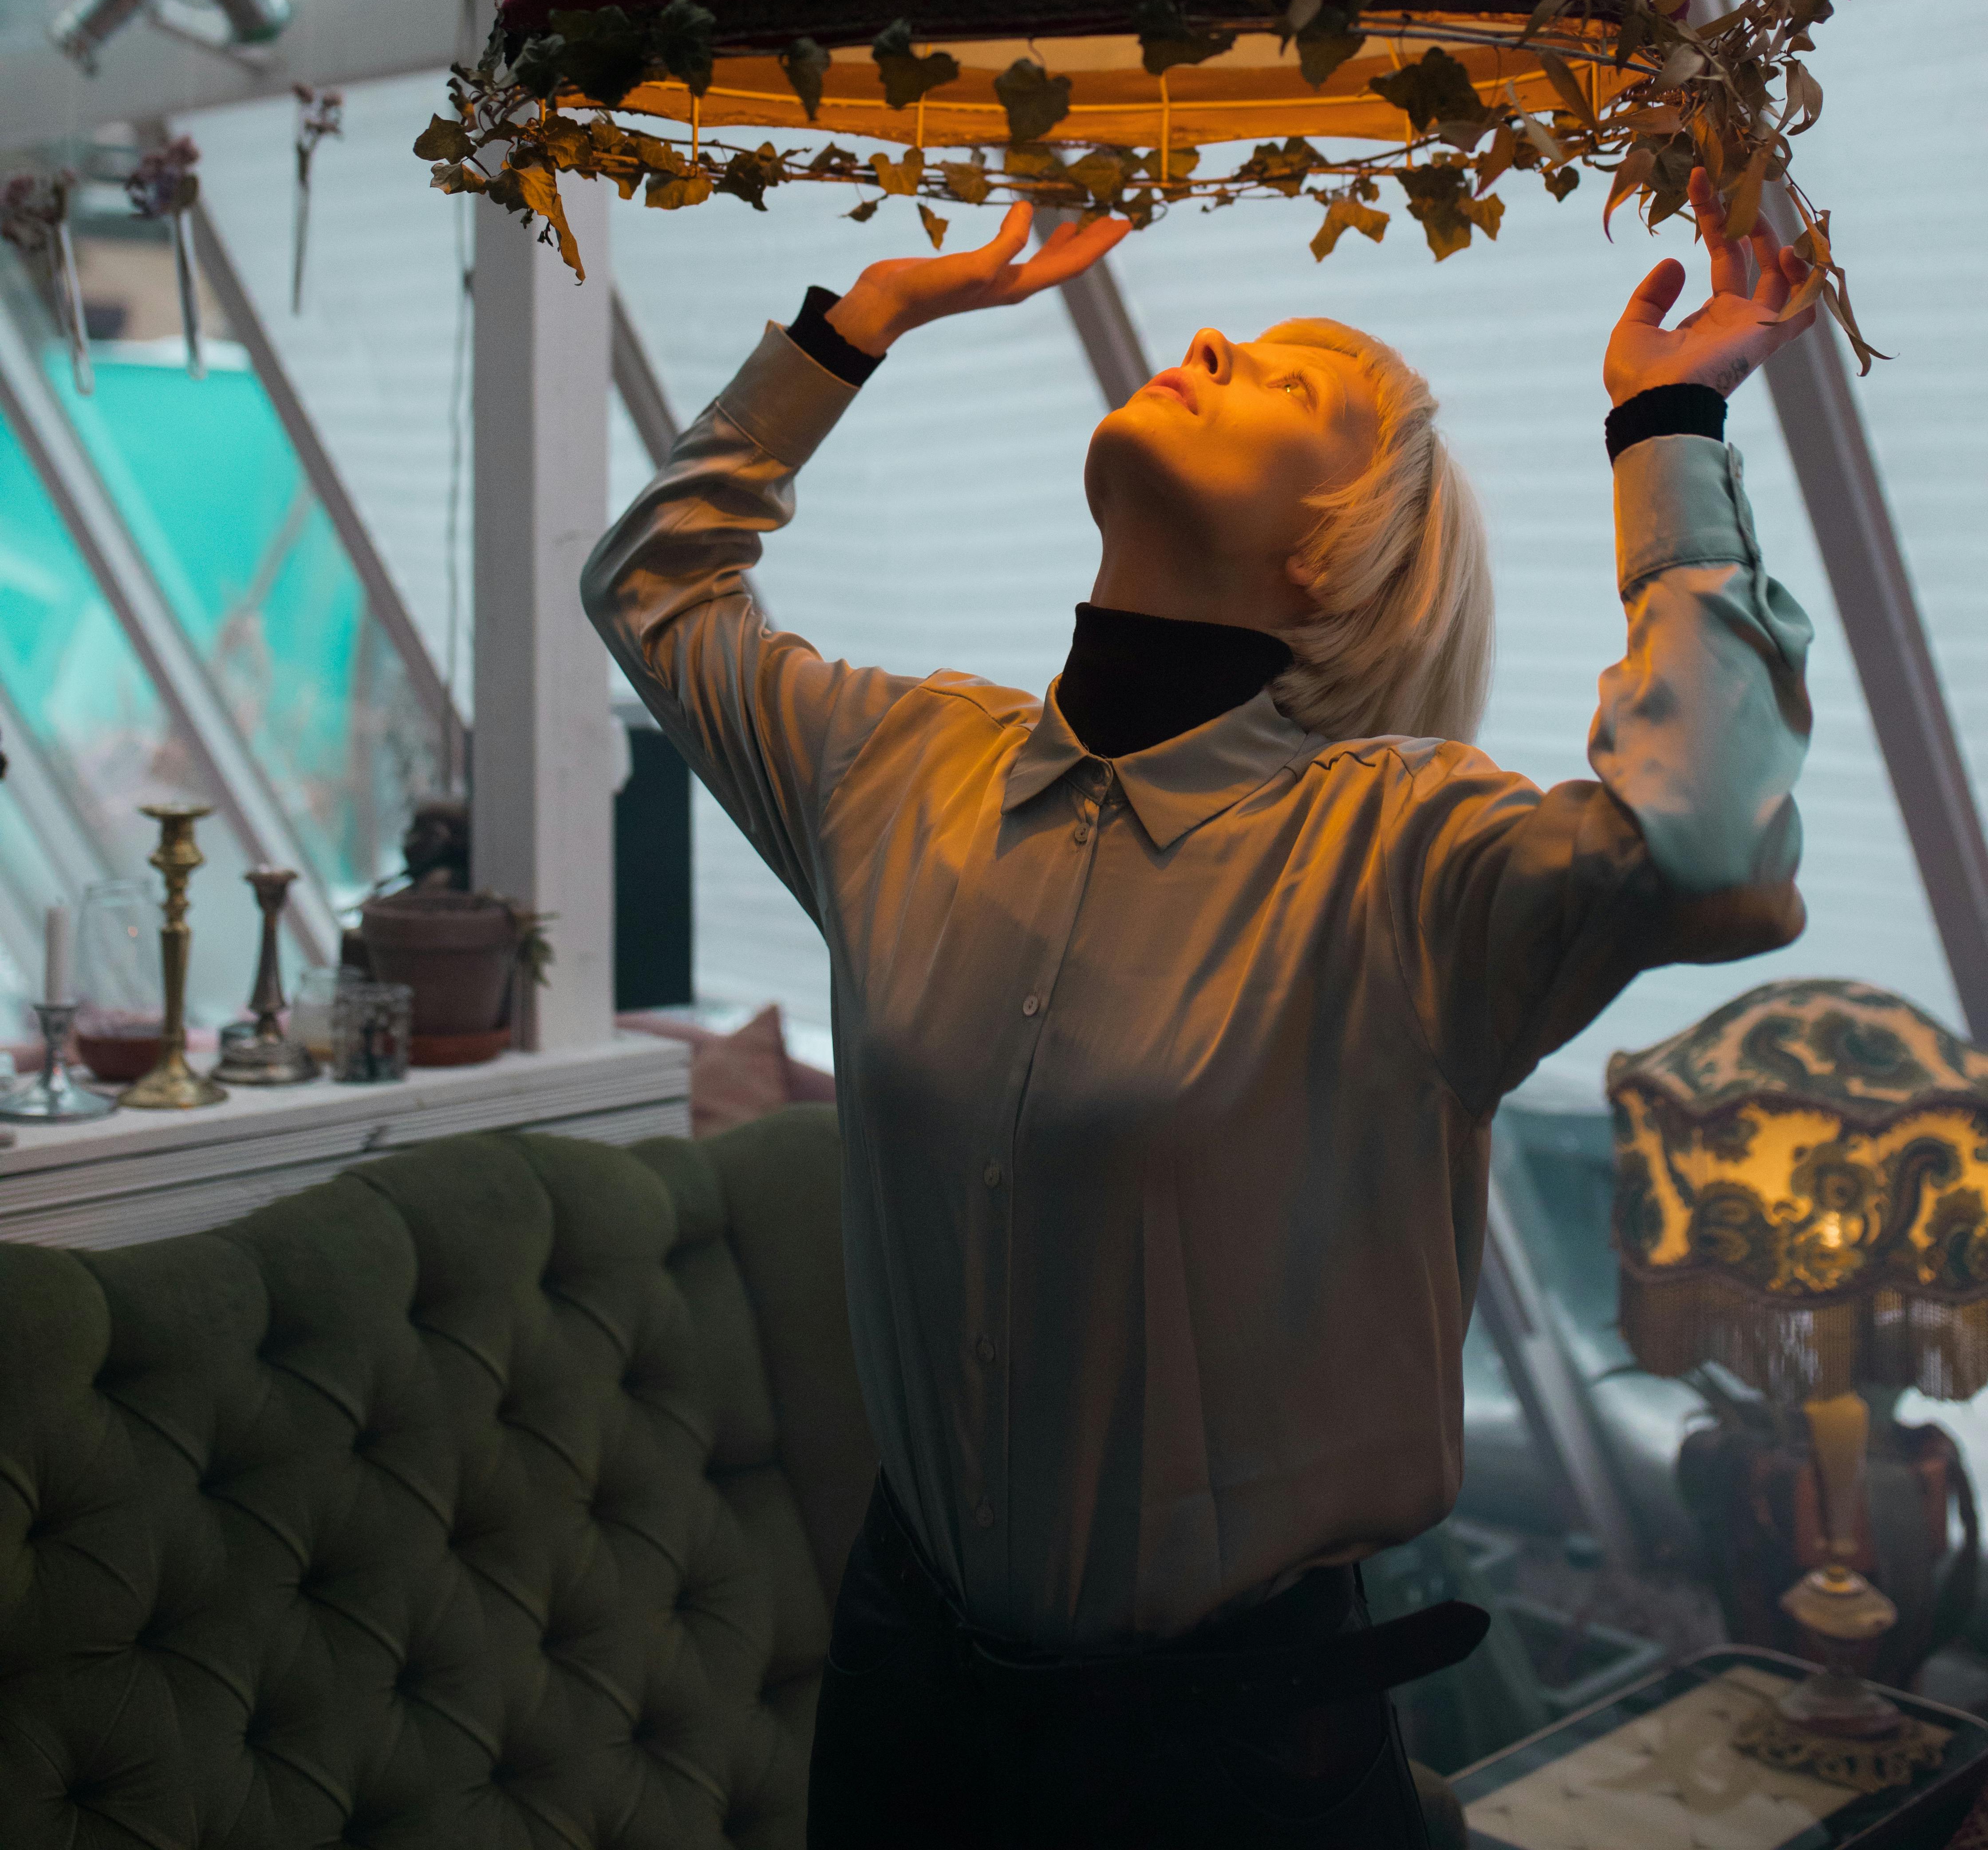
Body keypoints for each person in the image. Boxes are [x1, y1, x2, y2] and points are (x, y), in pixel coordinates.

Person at [585, 170, 1816, 1850]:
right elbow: (653, 588)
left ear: (1335, 553)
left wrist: (1668, 421)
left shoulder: (1400, 858)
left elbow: (1713, 847)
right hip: (905, 1709)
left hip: (1232, 1764)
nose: (1218, 335)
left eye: (1293, 382)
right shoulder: (895, 768)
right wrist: (858, 326)